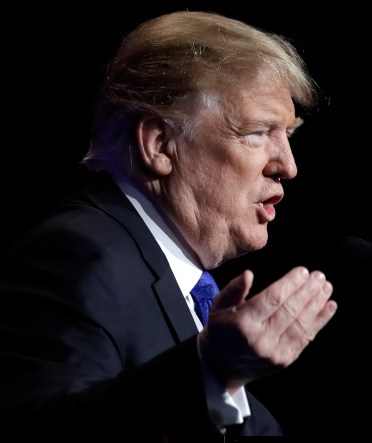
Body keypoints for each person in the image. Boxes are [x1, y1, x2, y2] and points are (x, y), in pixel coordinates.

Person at [0, 11, 339, 442]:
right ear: (160, 145)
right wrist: (209, 371)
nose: (288, 166)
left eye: (289, 135)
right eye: (257, 132)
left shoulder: (180, 279)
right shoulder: (77, 255)